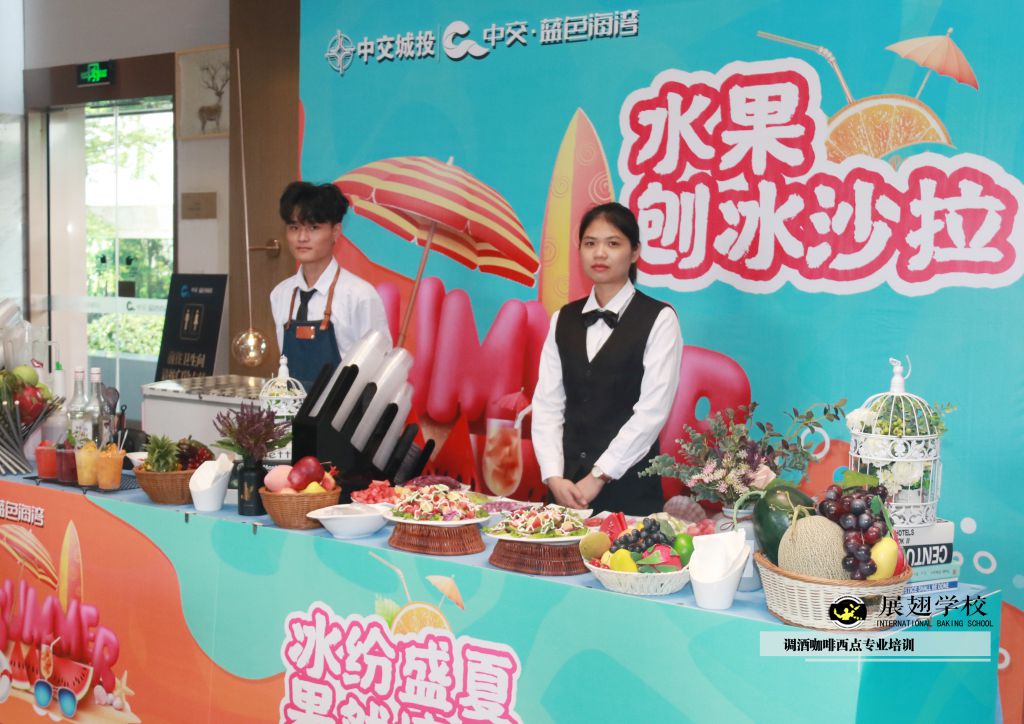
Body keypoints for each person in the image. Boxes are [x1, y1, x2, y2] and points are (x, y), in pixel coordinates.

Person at [531, 202, 683, 517]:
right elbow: (547, 404)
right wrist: (553, 476)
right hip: (565, 490)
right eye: (590, 243)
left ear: (635, 252)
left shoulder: (659, 318)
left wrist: (599, 475)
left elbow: (652, 412)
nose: (599, 253)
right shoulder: (563, 318)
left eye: (613, 244)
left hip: (629, 492)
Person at [270, 181, 390, 390]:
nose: (302, 238)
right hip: (292, 408)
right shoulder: (280, 294)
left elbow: (379, 372)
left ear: (335, 231)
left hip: (344, 409)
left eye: (313, 228)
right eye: (294, 228)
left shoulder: (360, 295)